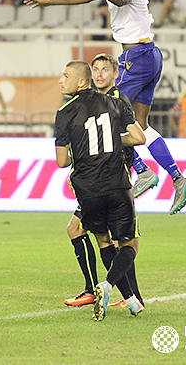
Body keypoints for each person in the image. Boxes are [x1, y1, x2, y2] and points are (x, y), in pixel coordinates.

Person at [24, 0, 186, 215]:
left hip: (137, 57)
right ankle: (178, 178)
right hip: (148, 54)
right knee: (140, 125)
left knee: (106, 112)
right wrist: (49, 1)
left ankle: (142, 171)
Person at [54, 60, 146, 321]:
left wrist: (79, 155)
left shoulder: (64, 112)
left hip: (87, 190)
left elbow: (62, 161)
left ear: (81, 82)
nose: (61, 80)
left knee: (104, 241)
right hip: (117, 184)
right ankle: (107, 285)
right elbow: (139, 138)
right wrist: (115, 142)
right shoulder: (115, 103)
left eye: (65, 76)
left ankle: (130, 301)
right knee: (129, 244)